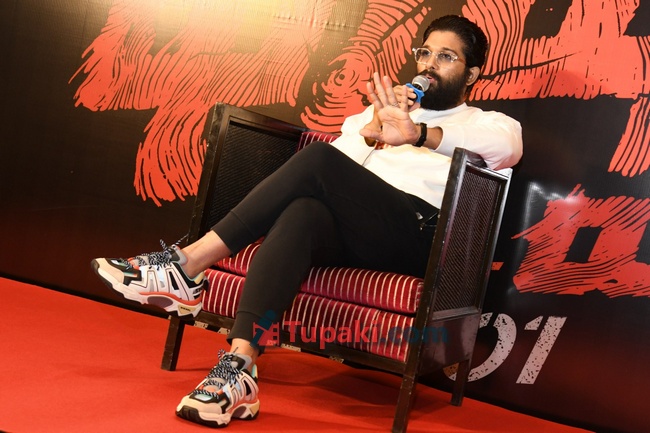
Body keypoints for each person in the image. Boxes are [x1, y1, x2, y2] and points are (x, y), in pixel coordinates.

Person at [92, 15, 522, 428]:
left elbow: (506, 150)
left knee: (316, 159)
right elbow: (331, 174)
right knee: (303, 213)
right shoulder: (376, 114)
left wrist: (419, 135)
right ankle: (239, 367)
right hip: (358, 229)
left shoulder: (490, 124)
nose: (429, 64)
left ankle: (187, 265)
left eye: (446, 57)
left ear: (471, 74)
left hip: (420, 236)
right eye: (425, 53)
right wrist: (372, 131)